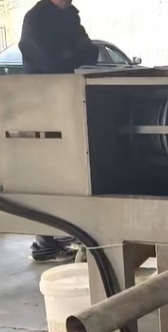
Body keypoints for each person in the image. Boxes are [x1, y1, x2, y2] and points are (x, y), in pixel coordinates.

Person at [18, 0, 98, 263]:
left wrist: (75, 55)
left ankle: (67, 229)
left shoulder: (71, 16)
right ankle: (44, 244)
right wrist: (76, 55)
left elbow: (92, 52)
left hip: (69, 101)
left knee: (72, 171)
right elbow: (48, 61)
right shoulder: (37, 19)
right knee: (46, 172)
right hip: (43, 106)